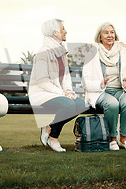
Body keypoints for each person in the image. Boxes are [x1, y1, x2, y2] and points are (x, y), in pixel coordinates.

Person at [28, 19, 83, 152]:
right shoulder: (42, 53)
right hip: (41, 94)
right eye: (63, 29)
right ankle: (53, 138)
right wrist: (62, 93)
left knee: (81, 104)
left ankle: (49, 127)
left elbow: (66, 76)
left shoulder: (61, 51)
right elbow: (42, 81)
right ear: (55, 32)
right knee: (69, 104)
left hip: (57, 93)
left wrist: (68, 90)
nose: (66, 31)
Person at [82, 22, 126, 150]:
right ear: (100, 36)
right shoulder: (92, 53)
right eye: (106, 33)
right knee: (112, 104)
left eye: (112, 32)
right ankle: (112, 139)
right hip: (101, 92)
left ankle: (124, 139)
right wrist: (100, 84)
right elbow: (85, 81)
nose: (109, 35)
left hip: (121, 91)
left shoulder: (123, 52)